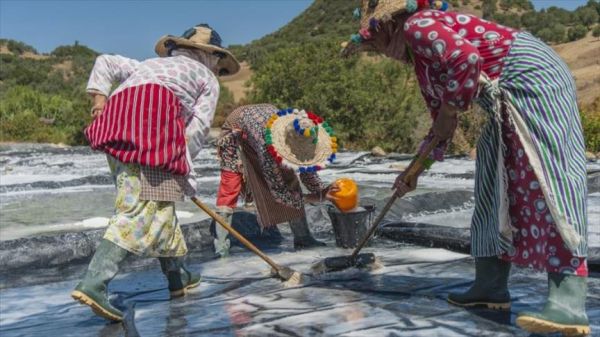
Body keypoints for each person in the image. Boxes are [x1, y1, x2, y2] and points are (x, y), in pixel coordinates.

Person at [344, 1, 590, 335]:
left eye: (375, 42)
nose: (379, 51)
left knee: (545, 178)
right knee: (490, 182)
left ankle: (568, 302)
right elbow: (438, 131)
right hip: (501, 99)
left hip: (532, 80)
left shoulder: (418, 26)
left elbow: (467, 59)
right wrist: (414, 172)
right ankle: (490, 287)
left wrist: (450, 111)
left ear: (389, 25)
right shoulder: (424, 65)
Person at [71, 24, 240, 322]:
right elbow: (198, 128)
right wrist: (182, 166)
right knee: (139, 208)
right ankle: (94, 283)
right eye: (217, 61)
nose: (217, 67)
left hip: (114, 128)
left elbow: (105, 62)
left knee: (159, 203)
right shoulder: (207, 79)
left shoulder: (150, 65)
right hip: (151, 133)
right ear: (210, 56)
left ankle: (178, 277)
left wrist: (99, 100)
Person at [213, 104, 340, 257]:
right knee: (230, 185)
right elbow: (279, 193)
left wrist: (322, 190)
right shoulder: (268, 148)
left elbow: (307, 168)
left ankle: (303, 238)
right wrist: (316, 197)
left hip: (261, 124)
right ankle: (221, 247)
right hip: (237, 131)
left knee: (290, 178)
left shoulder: (300, 132)